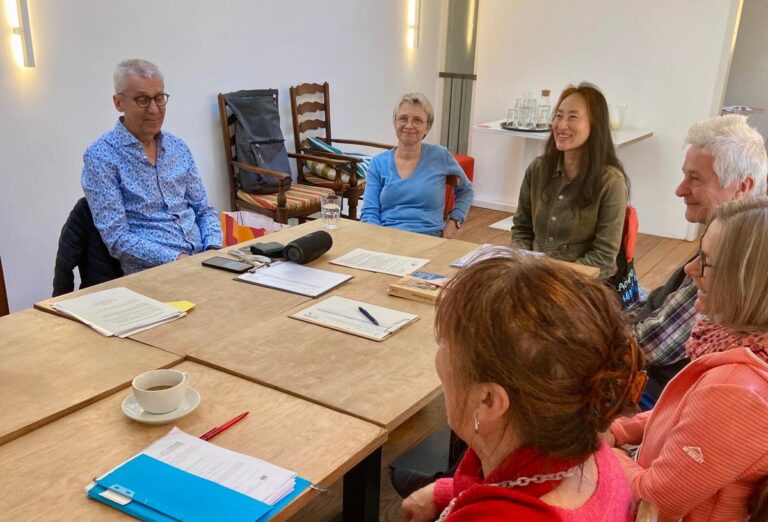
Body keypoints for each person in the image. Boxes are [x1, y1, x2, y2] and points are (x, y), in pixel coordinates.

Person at [402, 253, 643, 521]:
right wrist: (448, 492)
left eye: (443, 342)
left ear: (488, 400)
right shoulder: (589, 447)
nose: (438, 355)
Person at [606, 197, 768, 521]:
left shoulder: (735, 390)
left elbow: (654, 502)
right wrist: (619, 431)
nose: (689, 270)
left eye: (705, 262)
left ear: (747, 281)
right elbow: (682, 418)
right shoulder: (732, 349)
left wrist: (602, 450)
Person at [632, 114, 767, 407]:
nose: (680, 190)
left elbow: (651, 344)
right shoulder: (727, 240)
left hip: (656, 394)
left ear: (742, 187)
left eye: (695, 178)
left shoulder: (736, 259)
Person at [82, 58, 222, 275]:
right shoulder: (102, 156)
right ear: (118, 103)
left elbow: (204, 210)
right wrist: (179, 260)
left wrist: (213, 250)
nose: (154, 109)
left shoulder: (178, 148)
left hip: (203, 264)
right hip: (154, 274)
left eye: (159, 98)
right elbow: (117, 238)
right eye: (142, 100)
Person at [511, 82, 629, 278]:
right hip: (534, 276)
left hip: (582, 283)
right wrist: (523, 264)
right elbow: (521, 229)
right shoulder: (538, 169)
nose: (561, 125)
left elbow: (604, 257)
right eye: (558, 116)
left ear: (595, 125)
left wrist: (554, 278)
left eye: (573, 117)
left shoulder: (611, 182)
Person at [360, 93, 473, 238]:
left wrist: (454, 223)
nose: (409, 125)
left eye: (417, 120)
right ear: (395, 123)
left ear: (427, 127)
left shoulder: (440, 156)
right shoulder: (378, 163)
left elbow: (466, 191)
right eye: (403, 118)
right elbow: (369, 212)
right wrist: (377, 239)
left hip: (430, 239)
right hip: (387, 238)